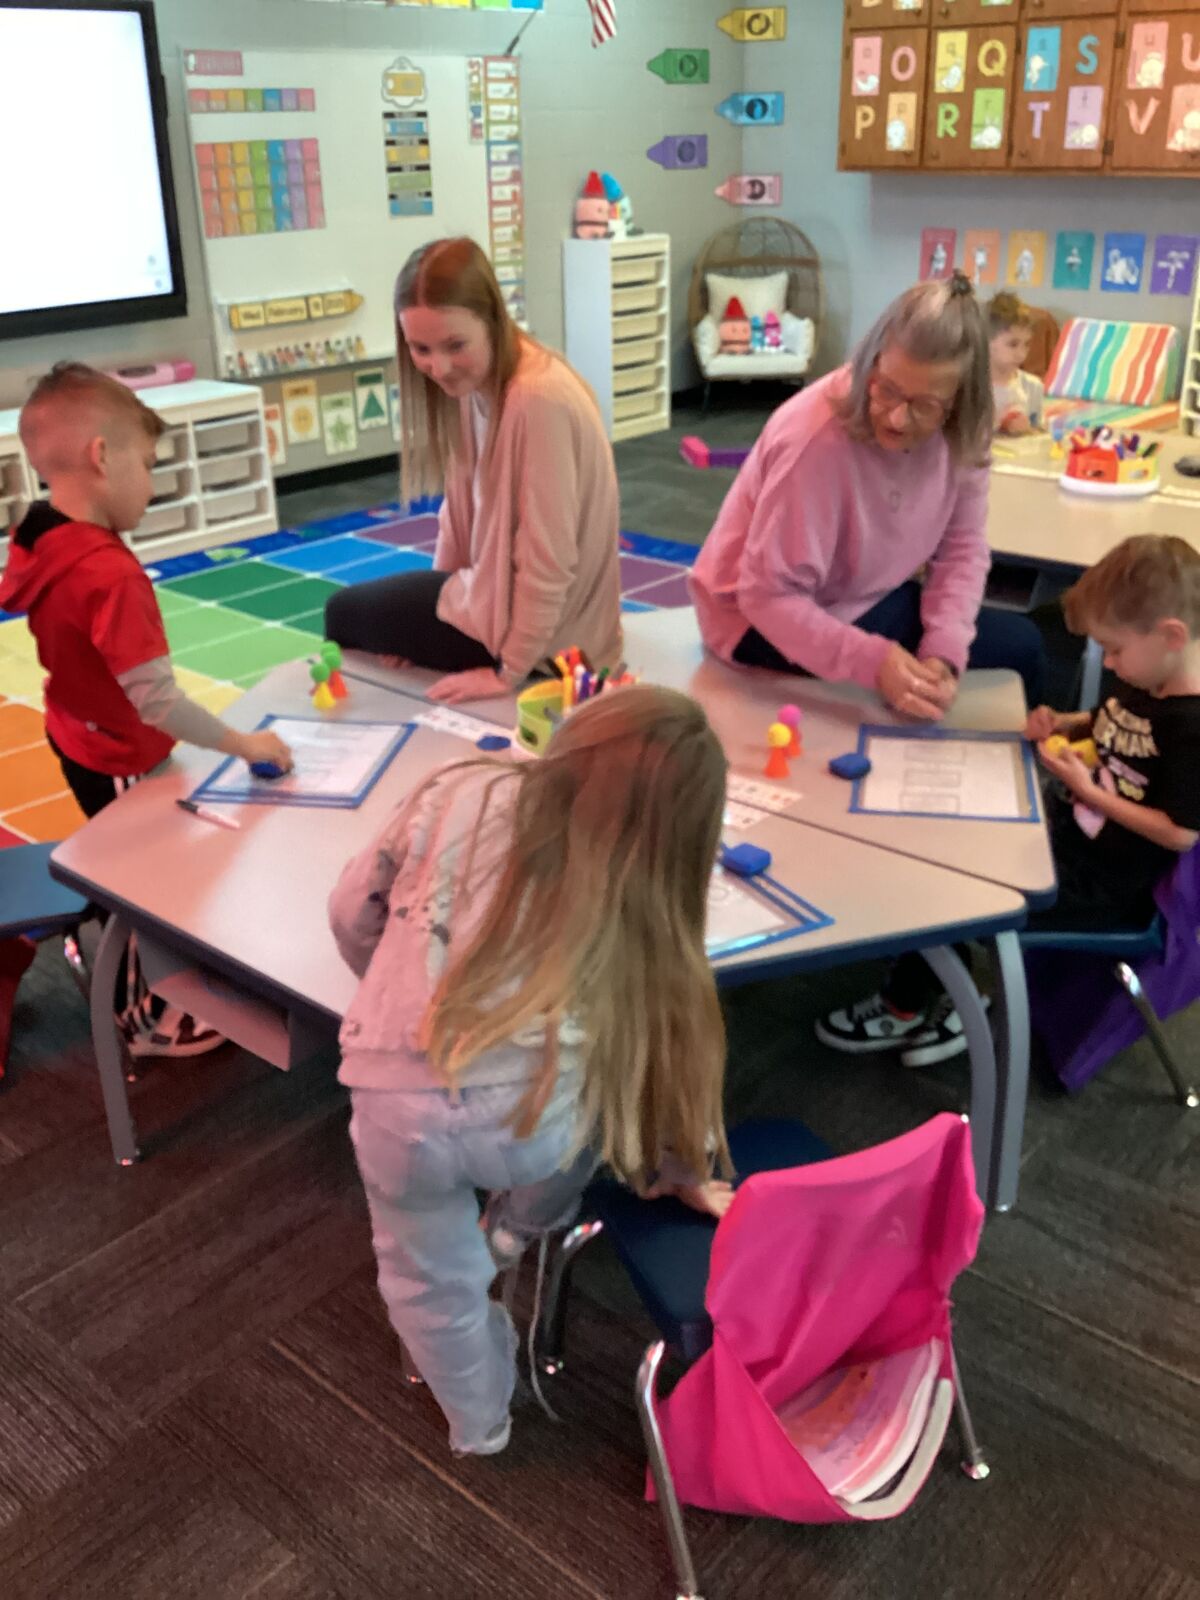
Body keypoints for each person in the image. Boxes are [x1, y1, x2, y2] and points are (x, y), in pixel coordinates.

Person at [328, 685, 732, 1456]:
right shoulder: (644, 899)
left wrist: (388, 990)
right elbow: (666, 1063)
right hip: (532, 1125)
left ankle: (479, 1425)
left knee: (424, 1281)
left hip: (393, 1105)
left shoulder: (456, 785)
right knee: (586, 1118)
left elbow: (353, 914)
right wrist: (678, 1169)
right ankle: (515, 1232)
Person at [818, 535, 1200, 1066]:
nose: (1109, 664)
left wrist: (1090, 792)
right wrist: (1065, 721)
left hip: (1106, 883)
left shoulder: (1192, 724)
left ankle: (943, 1006)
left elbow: (1181, 832)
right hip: (1070, 834)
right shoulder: (1150, 677)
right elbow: (1114, 721)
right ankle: (931, 985)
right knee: (950, 847)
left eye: (1114, 649)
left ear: (1171, 635)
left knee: (960, 891)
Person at [0, 363, 292, 1057]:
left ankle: (118, 952)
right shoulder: (109, 574)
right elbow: (157, 700)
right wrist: (244, 745)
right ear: (104, 457)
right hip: (118, 751)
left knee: (132, 855)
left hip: (73, 731)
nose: (154, 486)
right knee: (148, 879)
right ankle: (146, 1019)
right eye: (149, 464)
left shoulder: (39, 533)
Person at [690, 272, 1047, 717]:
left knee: (997, 647)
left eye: (924, 405)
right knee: (1021, 647)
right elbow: (766, 596)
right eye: (887, 389)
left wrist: (944, 652)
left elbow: (961, 548)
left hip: (855, 592)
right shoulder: (814, 439)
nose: (897, 417)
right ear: (870, 363)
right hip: (751, 618)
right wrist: (872, 662)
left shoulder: (967, 431)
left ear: (960, 402)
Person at [325, 237, 622, 706]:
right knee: (365, 616)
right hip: (503, 608)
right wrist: (432, 612)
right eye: (420, 348)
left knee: (340, 615)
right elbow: (459, 510)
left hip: (547, 646)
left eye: (454, 345)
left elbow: (550, 558)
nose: (437, 367)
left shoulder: (535, 398)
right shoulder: (481, 381)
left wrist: (509, 672)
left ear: (492, 320)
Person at [988, 291, 1044, 437]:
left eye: (1026, 344)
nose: (1021, 354)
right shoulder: (971, 388)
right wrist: (1001, 427)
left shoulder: (1032, 386)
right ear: (986, 341)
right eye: (1013, 344)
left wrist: (1028, 430)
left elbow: (1036, 433)